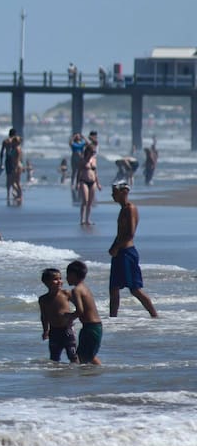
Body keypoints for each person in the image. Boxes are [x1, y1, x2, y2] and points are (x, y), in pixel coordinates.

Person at [108, 182, 158, 318]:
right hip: (119, 253)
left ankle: (155, 316)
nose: (112, 195)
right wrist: (113, 247)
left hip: (127, 253)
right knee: (113, 289)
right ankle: (113, 319)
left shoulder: (130, 208)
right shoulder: (122, 209)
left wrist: (117, 247)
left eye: (115, 192)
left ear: (124, 192)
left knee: (135, 289)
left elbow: (130, 233)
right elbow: (120, 233)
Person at [38, 268, 78, 363]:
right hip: (54, 331)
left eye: (60, 278)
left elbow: (80, 307)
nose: (59, 281)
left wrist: (72, 316)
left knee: (73, 356)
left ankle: (77, 375)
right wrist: (45, 330)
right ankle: (56, 376)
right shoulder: (43, 299)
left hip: (67, 330)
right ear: (46, 282)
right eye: (56, 279)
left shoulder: (66, 294)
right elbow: (44, 316)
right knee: (54, 358)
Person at [67, 260, 102, 365]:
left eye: (67, 275)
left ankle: (91, 377)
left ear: (73, 275)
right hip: (95, 327)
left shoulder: (76, 290)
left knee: (83, 358)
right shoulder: (84, 288)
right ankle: (98, 374)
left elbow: (80, 311)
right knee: (88, 356)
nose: (66, 278)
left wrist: (69, 318)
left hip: (90, 328)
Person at [76, 143, 100, 226]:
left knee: (90, 202)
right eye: (92, 152)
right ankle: (82, 219)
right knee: (85, 201)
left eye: (94, 152)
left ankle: (88, 220)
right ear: (88, 151)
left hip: (92, 182)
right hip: (84, 181)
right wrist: (77, 183)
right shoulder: (82, 160)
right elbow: (79, 172)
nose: (93, 153)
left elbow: (95, 172)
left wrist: (98, 183)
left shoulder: (94, 160)